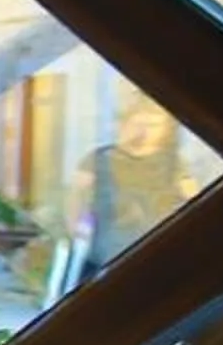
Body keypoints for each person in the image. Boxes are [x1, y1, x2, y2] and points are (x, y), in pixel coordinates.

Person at [69, 96, 196, 276]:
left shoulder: (174, 162)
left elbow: (194, 199)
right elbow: (76, 196)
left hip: (161, 251)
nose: (145, 131)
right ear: (126, 123)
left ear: (164, 129)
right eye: (139, 123)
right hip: (110, 254)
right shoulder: (99, 159)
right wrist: (77, 230)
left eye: (154, 125)